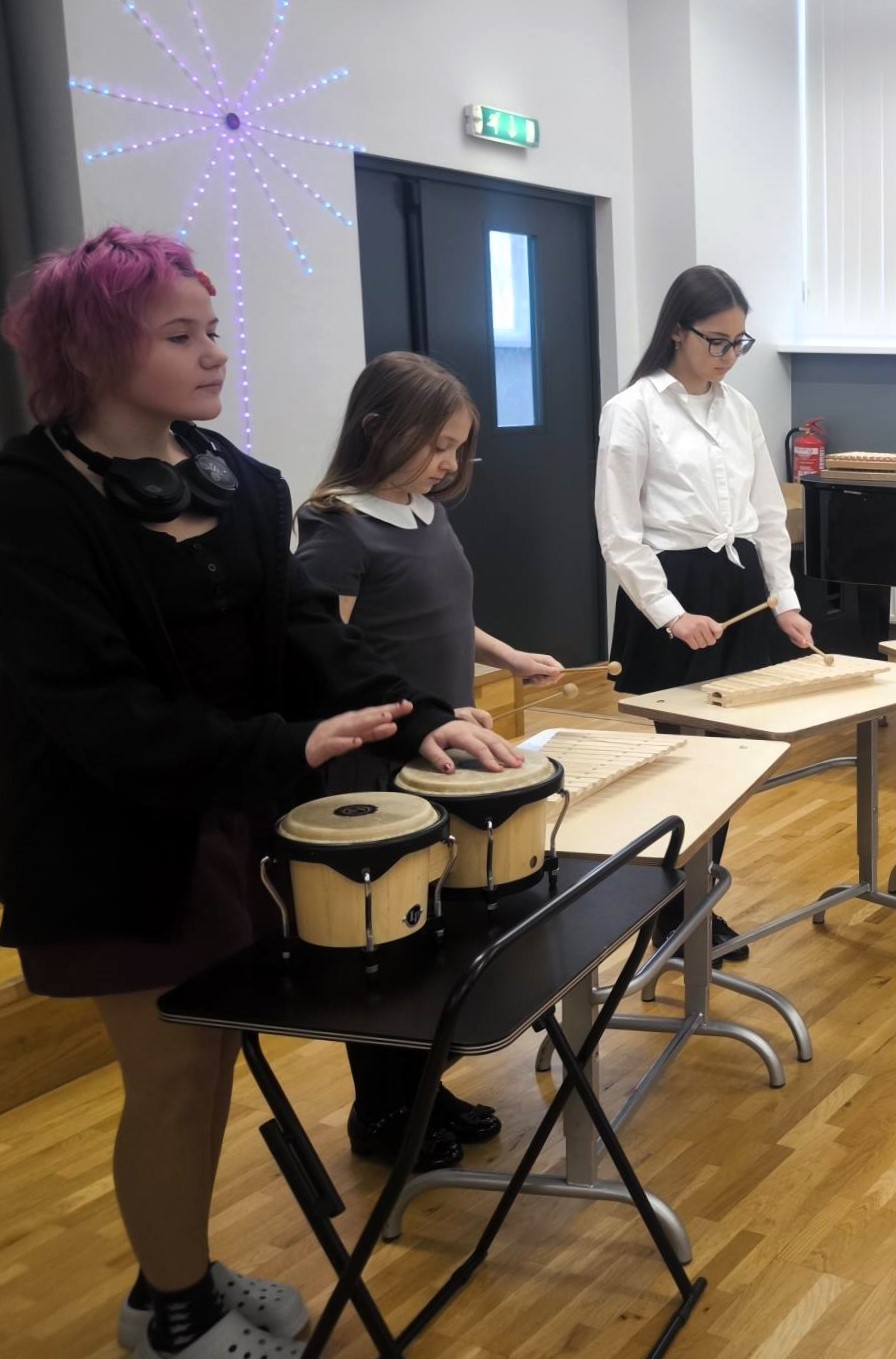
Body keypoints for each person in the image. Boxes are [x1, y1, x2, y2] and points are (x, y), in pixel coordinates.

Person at [0, 227, 517, 1359]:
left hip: (230, 819)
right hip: (113, 843)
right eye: (178, 335)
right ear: (90, 351)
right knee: (173, 1075)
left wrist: (420, 716)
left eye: (214, 328)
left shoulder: (238, 482)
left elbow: (304, 635)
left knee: (211, 1060)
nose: (215, 352)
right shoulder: (30, 505)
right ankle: (173, 1311)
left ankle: (171, 1276)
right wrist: (290, 749)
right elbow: (103, 712)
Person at [295, 351, 564, 1171]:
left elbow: (440, 612)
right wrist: (414, 719)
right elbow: (326, 656)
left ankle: (424, 1090)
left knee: (439, 933)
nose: (450, 463)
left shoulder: (423, 512)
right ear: (377, 427)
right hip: (377, 767)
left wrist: (505, 656)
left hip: (440, 755)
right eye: (438, 444)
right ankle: (381, 1110)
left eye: (458, 447)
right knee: (387, 942)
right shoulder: (336, 524)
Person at [594, 265, 812, 959]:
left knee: (730, 758)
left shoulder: (739, 409)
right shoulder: (633, 409)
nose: (728, 356)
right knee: (682, 762)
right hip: (671, 589)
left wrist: (785, 602)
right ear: (677, 332)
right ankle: (674, 909)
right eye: (717, 341)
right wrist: (668, 614)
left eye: (739, 342)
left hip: (738, 584)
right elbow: (619, 533)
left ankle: (699, 900)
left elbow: (768, 516)